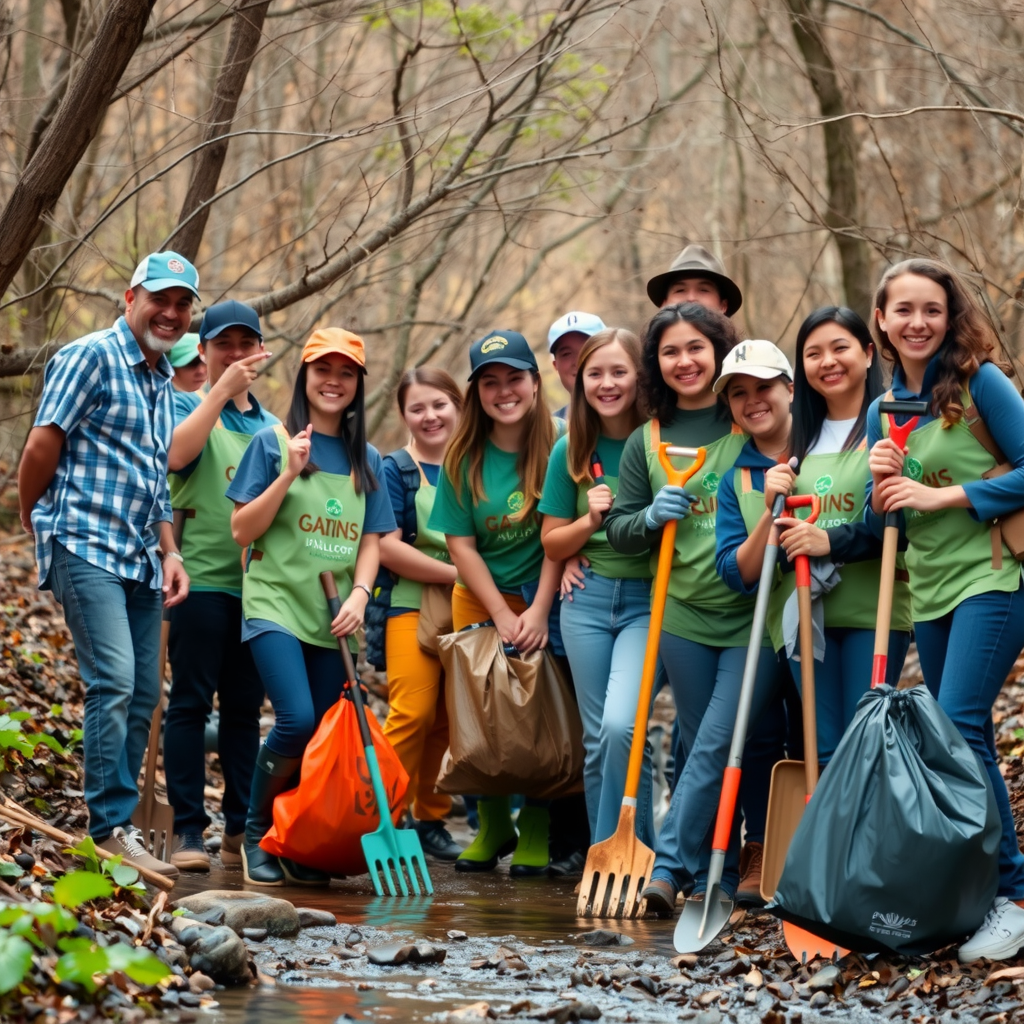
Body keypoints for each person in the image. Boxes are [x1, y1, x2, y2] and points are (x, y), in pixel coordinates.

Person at [17, 250, 198, 878]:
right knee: (114, 681)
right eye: (160, 300)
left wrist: (171, 551)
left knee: (146, 691)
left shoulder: (160, 380)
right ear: (130, 298)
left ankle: (120, 827)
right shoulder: (90, 356)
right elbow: (44, 441)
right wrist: (30, 514)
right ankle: (109, 828)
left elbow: (155, 485)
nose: (170, 314)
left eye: (182, 305)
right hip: (85, 544)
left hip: (141, 558)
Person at [866, 258, 1024, 963]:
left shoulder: (980, 383)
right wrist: (883, 492)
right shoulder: (884, 406)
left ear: (948, 315)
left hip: (994, 577)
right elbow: (889, 521)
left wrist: (943, 497)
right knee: (964, 735)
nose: (917, 322)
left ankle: (1012, 900)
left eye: (931, 309)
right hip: (926, 589)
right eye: (903, 310)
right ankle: (977, 892)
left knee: (958, 723)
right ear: (882, 320)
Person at [605, 304, 777, 917]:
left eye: (697, 348)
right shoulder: (644, 441)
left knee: (717, 742)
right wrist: (648, 518)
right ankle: (722, 870)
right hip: (679, 617)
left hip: (751, 615)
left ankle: (674, 867)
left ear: (719, 352)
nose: (685, 361)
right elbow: (620, 532)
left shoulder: (749, 426)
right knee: (709, 739)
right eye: (670, 352)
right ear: (656, 363)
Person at [228, 328, 396, 886]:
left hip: (334, 616)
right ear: (304, 376)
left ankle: (297, 839)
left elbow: (372, 540)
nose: (334, 381)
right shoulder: (272, 441)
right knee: (297, 720)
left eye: (346, 372)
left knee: (326, 734)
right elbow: (241, 529)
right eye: (323, 369)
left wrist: (359, 593)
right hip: (274, 604)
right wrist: (289, 473)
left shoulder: (365, 457)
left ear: (357, 386)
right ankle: (256, 835)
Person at [428, 329, 564, 875]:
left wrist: (537, 612)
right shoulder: (464, 456)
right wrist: (501, 613)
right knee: (481, 715)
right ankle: (491, 825)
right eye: (490, 383)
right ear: (476, 393)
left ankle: (535, 825)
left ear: (535, 382)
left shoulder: (558, 443)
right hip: (480, 598)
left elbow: (560, 533)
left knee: (538, 715)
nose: (504, 391)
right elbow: (460, 545)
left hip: (544, 595)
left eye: (514, 378)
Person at [163, 300, 276, 871]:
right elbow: (177, 454)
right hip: (200, 580)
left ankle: (238, 826)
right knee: (188, 702)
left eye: (245, 344)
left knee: (241, 711)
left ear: (260, 349)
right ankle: (187, 831)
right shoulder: (185, 403)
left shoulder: (275, 428)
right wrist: (217, 390)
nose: (235, 354)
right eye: (222, 344)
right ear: (203, 351)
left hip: (259, 591)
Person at [775, 308, 911, 757]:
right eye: (813, 354)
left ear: (869, 353)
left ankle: (874, 831)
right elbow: (778, 538)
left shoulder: (894, 424)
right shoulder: (794, 441)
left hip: (875, 609)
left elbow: (900, 525)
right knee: (823, 748)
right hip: (806, 612)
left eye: (840, 348)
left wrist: (828, 541)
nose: (827, 362)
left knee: (867, 743)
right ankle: (833, 831)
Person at [539, 328, 652, 848]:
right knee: (595, 740)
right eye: (595, 374)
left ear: (639, 376)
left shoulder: (657, 438)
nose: (606, 384)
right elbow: (552, 542)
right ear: (579, 381)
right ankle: (603, 856)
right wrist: (588, 523)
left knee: (622, 728)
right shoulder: (570, 448)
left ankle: (640, 852)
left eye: (618, 371)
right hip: (583, 602)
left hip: (646, 600)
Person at [379, 367, 464, 861]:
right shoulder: (396, 470)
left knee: (448, 723)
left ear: (457, 406)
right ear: (405, 415)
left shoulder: (477, 464)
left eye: (439, 404)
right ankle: (382, 816)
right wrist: (458, 574)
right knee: (411, 712)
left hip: (472, 609)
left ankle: (430, 816)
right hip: (412, 603)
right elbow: (388, 548)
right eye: (418, 408)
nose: (430, 416)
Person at [645, 244, 743, 315]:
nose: (691, 298)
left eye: (703, 290)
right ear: (664, 304)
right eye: (680, 290)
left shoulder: (747, 344)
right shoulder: (647, 344)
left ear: (723, 306)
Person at [547, 312, 606, 418]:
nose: (578, 361)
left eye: (587, 349)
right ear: (556, 366)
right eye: (567, 354)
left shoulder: (640, 422)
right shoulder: (550, 431)